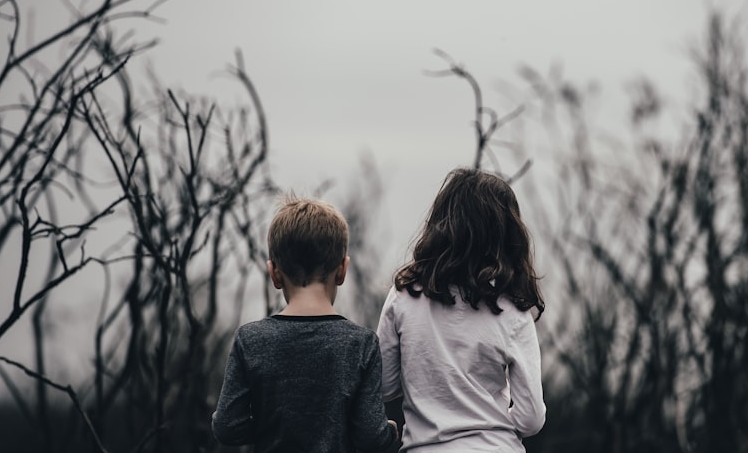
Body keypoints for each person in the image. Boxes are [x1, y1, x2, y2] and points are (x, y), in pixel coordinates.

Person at [376, 168, 546, 452]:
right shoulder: (513, 310)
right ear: (507, 234)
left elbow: (384, 385)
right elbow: (531, 419)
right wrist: (494, 421)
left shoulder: (404, 294)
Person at [212, 195, 399, 452]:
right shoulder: (361, 343)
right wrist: (389, 432)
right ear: (342, 270)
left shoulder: (250, 339)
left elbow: (227, 427)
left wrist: (276, 422)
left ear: (275, 273)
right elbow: (370, 436)